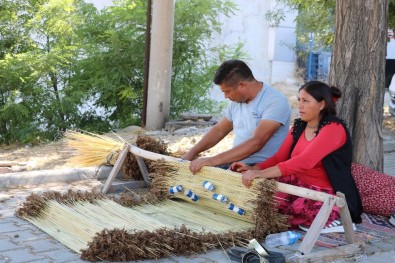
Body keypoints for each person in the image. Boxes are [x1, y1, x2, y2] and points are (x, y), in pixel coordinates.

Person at [231, 80, 363, 233]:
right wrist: (253, 168)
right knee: (262, 208)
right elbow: (279, 157)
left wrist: (261, 174)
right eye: (299, 100)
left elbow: (305, 161)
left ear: (321, 105)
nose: (300, 105)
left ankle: (339, 219)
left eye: (306, 101)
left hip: (323, 192)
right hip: (296, 183)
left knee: (301, 219)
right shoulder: (299, 126)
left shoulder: (333, 128)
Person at [181, 59, 291, 174]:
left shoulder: (275, 101)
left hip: (260, 168)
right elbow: (219, 130)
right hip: (236, 163)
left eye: (227, 91)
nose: (225, 96)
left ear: (242, 85)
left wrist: (213, 160)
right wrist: (191, 153)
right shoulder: (237, 102)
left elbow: (256, 142)